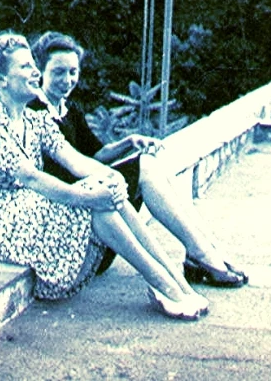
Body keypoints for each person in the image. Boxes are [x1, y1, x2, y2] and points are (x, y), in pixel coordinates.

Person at [0, 31, 209, 320]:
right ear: (2, 80)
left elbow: (77, 161)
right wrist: (90, 194)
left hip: (31, 209)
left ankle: (173, 282)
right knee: (93, 200)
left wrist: (110, 179)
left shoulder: (35, 119)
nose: (33, 72)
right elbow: (31, 178)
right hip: (0, 221)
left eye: (33, 65)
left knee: (103, 188)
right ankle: (163, 284)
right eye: (25, 67)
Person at [30, 31, 248, 288]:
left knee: (150, 163)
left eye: (73, 72)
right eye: (58, 72)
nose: (67, 80)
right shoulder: (34, 111)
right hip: (74, 225)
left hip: (96, 210)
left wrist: (130, 141)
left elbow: (96, 154)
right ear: (39, 71)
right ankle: (200, 254)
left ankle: (203, 248)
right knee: (145, 166)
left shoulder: (69, 109)